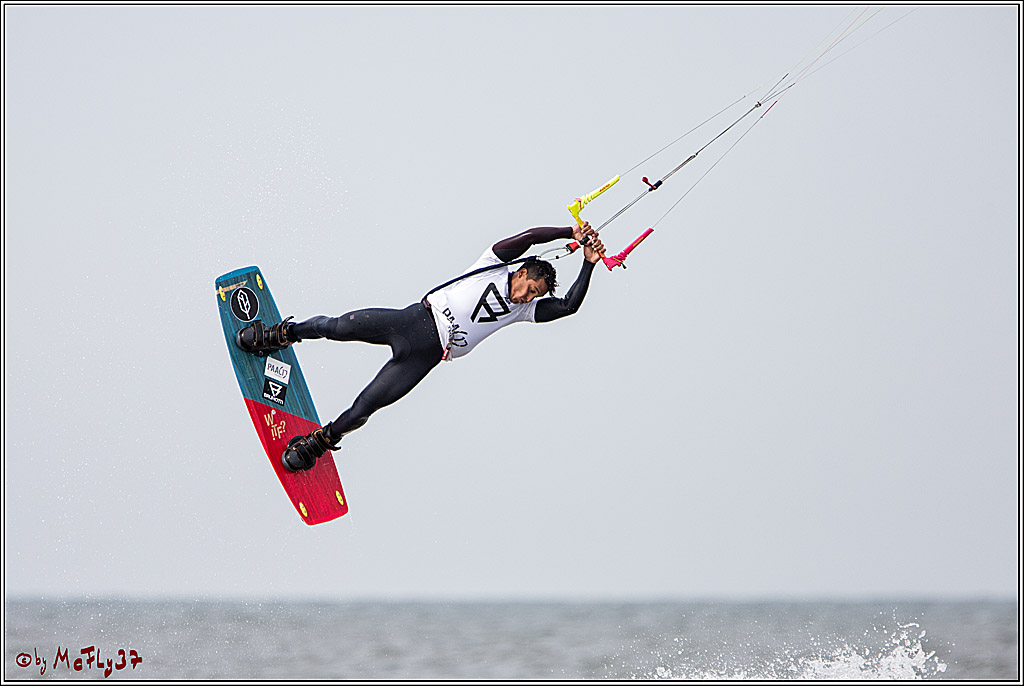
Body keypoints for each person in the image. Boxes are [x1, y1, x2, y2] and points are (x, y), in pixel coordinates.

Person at [236, 221, 606, 472]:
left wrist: (588, 264)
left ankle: (317, 443)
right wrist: (568, 231)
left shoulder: (522, 312)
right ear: (523, 272)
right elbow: (526, 238)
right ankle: (281, 335)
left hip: (426, 356)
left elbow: (569, 305)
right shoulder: (495, 263)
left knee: (367, 407)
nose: (529, 296)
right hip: (410, 321)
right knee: (334, 327)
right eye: (531, 288)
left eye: (536, 296)